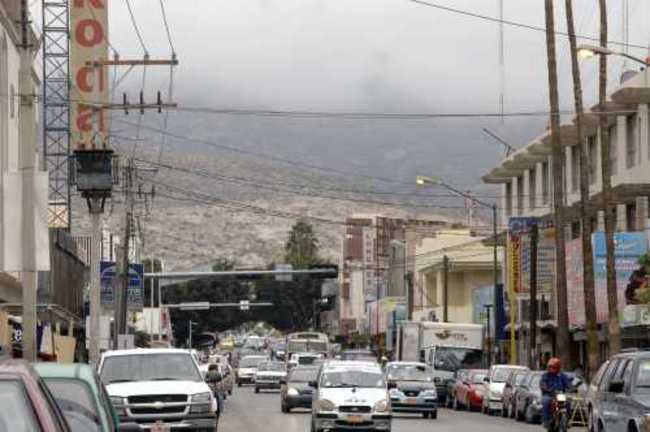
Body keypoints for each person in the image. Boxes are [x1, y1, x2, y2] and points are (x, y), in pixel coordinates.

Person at [540, 357, 571, 429]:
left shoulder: (562, 376)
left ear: (558, 368)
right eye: (550, 367)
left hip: (560, 395)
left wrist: (572, 388)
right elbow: (543, 383)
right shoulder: (546, 375)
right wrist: (545, 388)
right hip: (549, 394)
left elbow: (568, 383)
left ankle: (567, 420)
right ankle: (546, 421)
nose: (552, 369)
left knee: (567, 402)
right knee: (545, 401)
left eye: (554, 367)